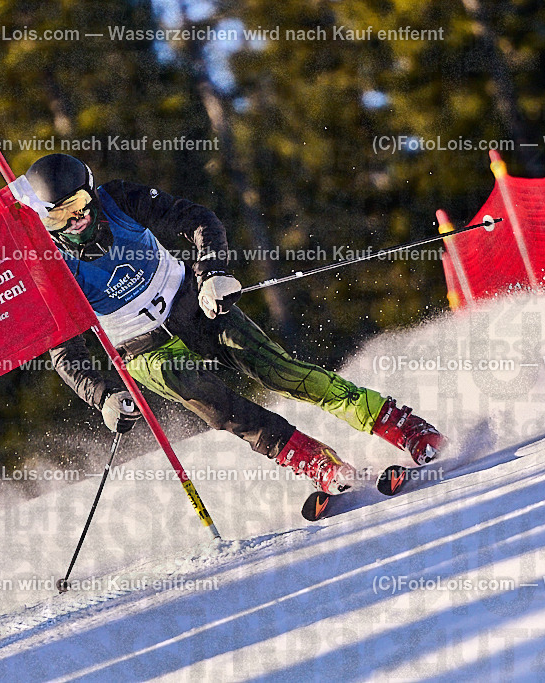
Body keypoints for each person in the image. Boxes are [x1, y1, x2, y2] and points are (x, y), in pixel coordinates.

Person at [28, 154, 444, 495]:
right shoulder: (51, 265)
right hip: (142, 348)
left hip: (192, 304)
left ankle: (399, 424)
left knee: (279, 371)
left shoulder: (119, 199)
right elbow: (64, 350)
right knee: (216, 403)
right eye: (58, 214)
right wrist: (102, 396)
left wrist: (212, 273)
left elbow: (197, 219)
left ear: (92, 190)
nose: (75, 218)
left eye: (79, 202)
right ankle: (313, 460)